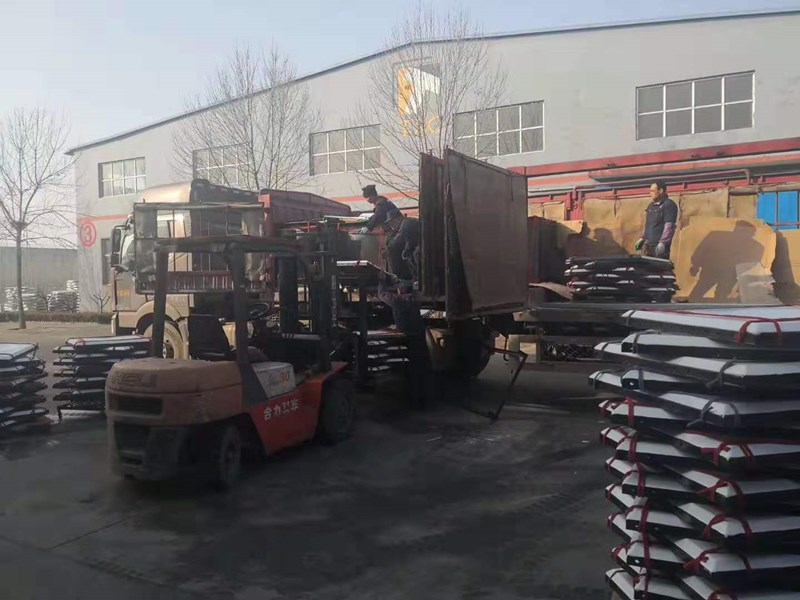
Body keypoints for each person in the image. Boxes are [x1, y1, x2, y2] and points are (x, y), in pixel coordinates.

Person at [377, 273, 431, 408]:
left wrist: (381, 281)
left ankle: (413, 401)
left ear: (400, 290)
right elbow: (418, 291)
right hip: (419, 339)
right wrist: (415, 283)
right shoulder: (414, 299)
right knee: (421, 370)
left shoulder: (396, 300)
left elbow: (381, 294)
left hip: (406, 339)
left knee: (409, 371)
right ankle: (424, 401)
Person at [635, 181, 678, 259]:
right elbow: (648, 224)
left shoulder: (669, 205)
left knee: (658, 266)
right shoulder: (651, 206)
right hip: (647, 245)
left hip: (658, 246)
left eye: (652, 191)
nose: (650, 193)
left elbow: (669, 226)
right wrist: (642, 238)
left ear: (660, 191)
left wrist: (663, 243)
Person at [384, 212, 421, 282]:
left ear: (398, 218)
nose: (391, 225)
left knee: (416, 254)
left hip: (424, 243)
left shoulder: (406, 222)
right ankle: (416, 279)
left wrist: (388, 248)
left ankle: (420, 279)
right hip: (418, 243)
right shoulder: (406, 222)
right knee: (407, 254)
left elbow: (400, 237)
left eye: (392, 222)